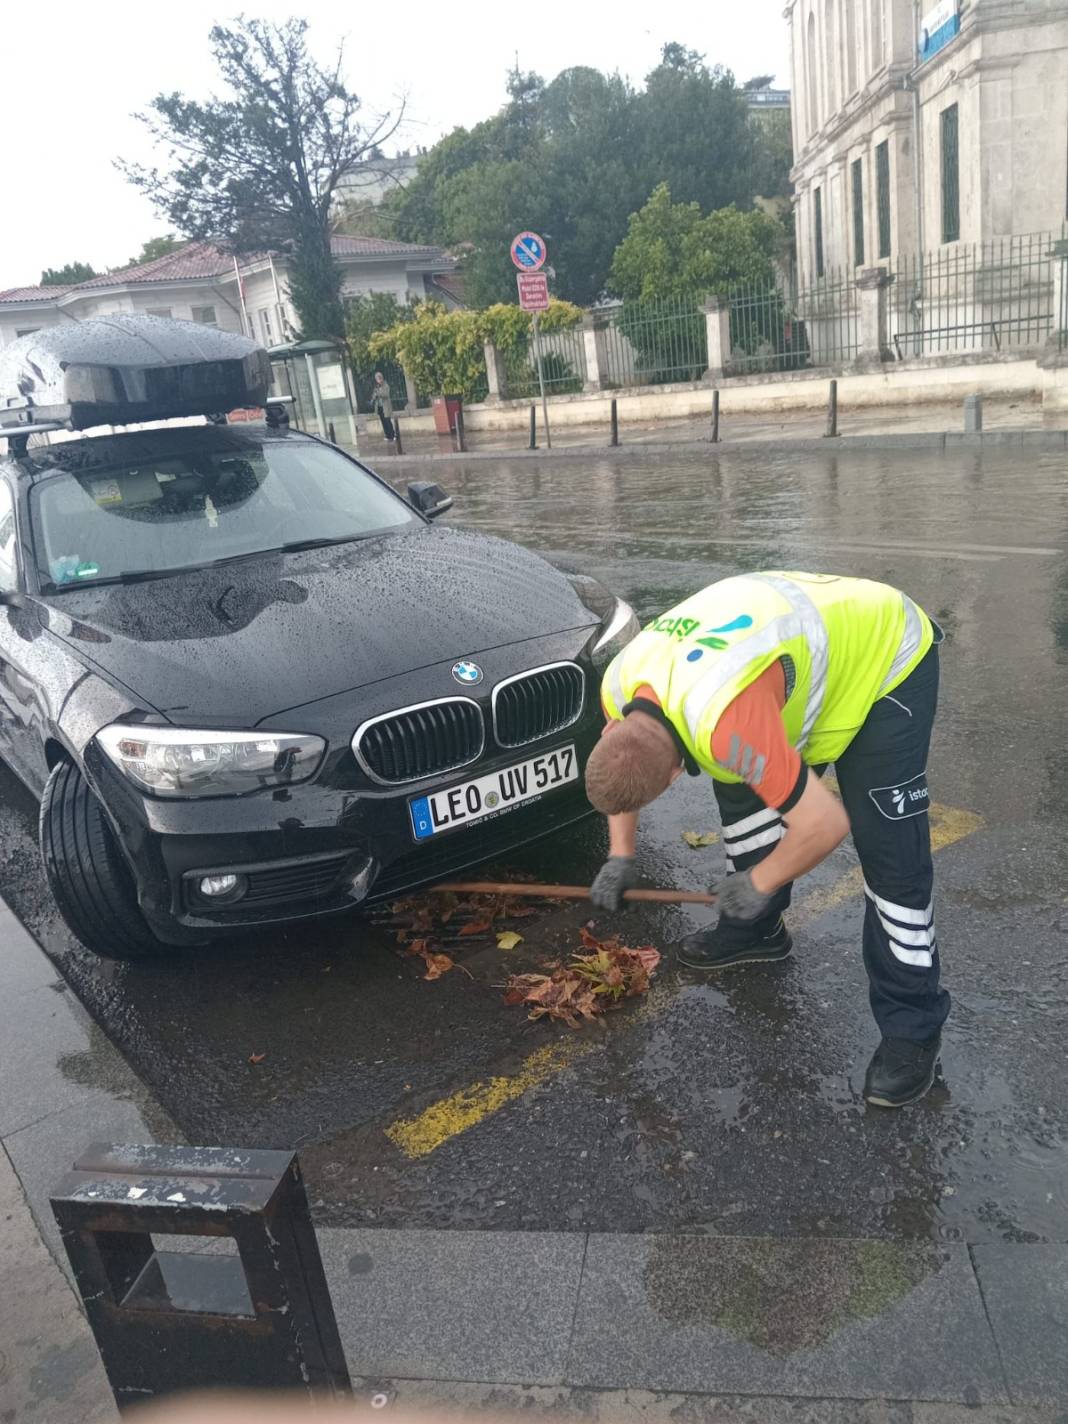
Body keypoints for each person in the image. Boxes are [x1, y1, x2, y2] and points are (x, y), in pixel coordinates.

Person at [584, 571, 948, 1108]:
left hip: (883, 660)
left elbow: (825, 826)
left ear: (670, 780)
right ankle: (757, 933)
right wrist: (620, 854)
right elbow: (626, 767)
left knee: (890, 852)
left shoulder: (727, 726)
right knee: (743, 792)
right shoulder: (619, 684)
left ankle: (913, 1032)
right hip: (775, 676)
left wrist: (759, 880)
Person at [370, 371, 395, 442]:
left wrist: (378, 393)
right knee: (383, 421)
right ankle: (387, 435)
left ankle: (392, 435)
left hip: (385, 407)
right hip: (380, 407)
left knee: (387, 421)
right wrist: (374, 397)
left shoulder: (385, 385)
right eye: (377, 379)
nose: (378, 381)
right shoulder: (377, 387)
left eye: (379, 379)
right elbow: (375, 394)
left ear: (381, 378)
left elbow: (386, 394)